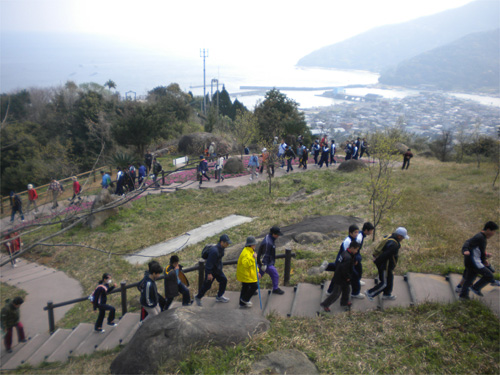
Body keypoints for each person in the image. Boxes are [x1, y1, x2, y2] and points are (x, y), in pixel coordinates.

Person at [365, 227, 410, 301]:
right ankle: (370, 293)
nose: (403, 239)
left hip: (387, 265)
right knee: (384, 283)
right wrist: (377, 262)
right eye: (403, 237)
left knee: (390, 279)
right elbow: (385, 255)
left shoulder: (390, 236)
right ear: (399, 236)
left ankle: (387, 294)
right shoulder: (393, 245)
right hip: (385, 266)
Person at [458, 221, 498, 301]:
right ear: (488, 229)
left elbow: (478, 251)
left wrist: (485, 257)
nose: (494, 233)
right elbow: (467, 242)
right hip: (474, 263)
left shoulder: (481, 237)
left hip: (471, 262)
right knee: (489, 275)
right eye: (493, 231)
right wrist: (465, 250)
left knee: (470, 279)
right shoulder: (480, 237)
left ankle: (463, 295)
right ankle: (476, 288)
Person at [320, 241, 361, 312]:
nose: (356, 251)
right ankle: (325, 304)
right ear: (352, 248)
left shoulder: (345, 253)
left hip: (340, 276)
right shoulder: (348, 258)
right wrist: (347, 277)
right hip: (341, 278)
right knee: (336, 294)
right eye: (356, 249)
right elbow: (344, 269)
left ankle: (344, 302)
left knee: (347, 290)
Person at [195, 234, 232, 306]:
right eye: (226, 243)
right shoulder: (214, 251)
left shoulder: (221, 248)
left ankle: (219, 296)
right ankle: (198, 297)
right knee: (207, 286)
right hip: (211, 272)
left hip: (217, 270)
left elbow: (218, 260)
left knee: (223, 280)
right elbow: (209, 263)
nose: (228, 244)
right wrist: (209, 273)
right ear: (222, 242)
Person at [326, 224, 360, 294]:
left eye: (357, 232)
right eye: (355, 232)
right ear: (350, 233)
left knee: (338, 275)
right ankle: (355, 293)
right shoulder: (348, 241)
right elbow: (347, 253)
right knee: (351, 275)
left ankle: (330, 290)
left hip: (345, 261)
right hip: (343, 261)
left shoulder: (354, 239)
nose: (357, 234)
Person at [257, 226, 285, 295]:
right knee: (275, 274)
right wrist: (263, 264)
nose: (278, 236)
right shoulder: (268, 243)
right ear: (273, 234)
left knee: (257, 276)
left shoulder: (270, 238)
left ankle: (250, 288)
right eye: (277, 234)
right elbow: (264, 254)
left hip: (266, 262)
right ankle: (275, 289)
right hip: (266, 263)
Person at [351, 222, 375, 298]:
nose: (371, 232)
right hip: (354, 256)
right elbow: (354, 249)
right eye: (371, 230)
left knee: (359, 270)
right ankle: (355, 293)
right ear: (366, 230)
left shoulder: (361, 235)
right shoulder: (359, 237)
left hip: (356, 256)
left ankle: (357, 281)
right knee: (355, 273)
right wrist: (355, 259)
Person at [237, 236, 260, 308]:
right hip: (246, 275)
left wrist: (257, 272)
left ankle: (242, 302)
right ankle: (245, 299)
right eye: (254, 244)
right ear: (251, 245)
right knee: (254, 286)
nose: (255, 245)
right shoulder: (246, 253)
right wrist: (253, 258)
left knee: (245, 287)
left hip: (247, 274)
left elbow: (254, 264)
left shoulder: (250, 251)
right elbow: (246, 264)